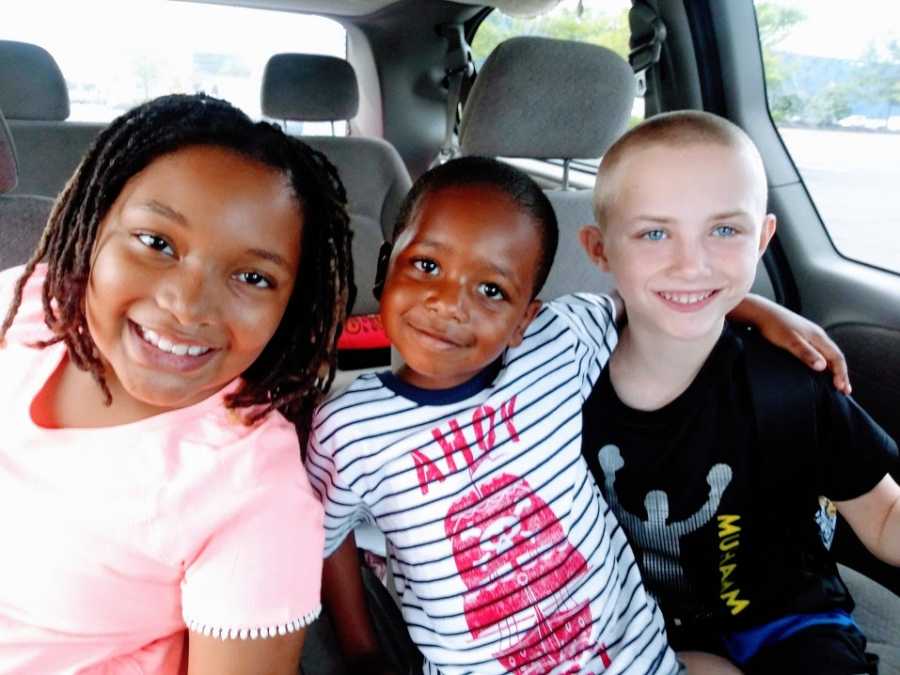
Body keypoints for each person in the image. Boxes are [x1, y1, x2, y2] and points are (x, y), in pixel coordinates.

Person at [305, 155, 848, 675]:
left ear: (524, 319)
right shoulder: (348, 428)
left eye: (492, 290)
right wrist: (362, 652)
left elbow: (649, 302)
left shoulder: (557, 342)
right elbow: (328, 539)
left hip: (636, 657)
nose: (449, 302)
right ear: (385, 268)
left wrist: (754, 307)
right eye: (426, 265)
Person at [0, 93, 353, 674]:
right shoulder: (30, 308)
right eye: (157, 243)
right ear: (94, 232)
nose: (187, 307)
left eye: (251, 276)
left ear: (291, 306)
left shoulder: (254, 498)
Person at [579, 110, 899, 675]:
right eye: (655, 233)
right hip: (632, 628)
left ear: (763, 238)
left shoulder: (788, 384)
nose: (691, 263)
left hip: (792, 620)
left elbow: (883, 516)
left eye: (724, 230)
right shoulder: (561, 388)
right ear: (600, 250)